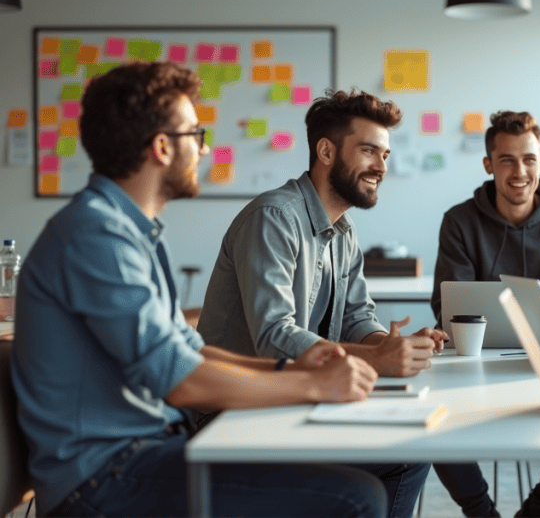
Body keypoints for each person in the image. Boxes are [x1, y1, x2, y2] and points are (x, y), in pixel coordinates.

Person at [11, 61, 387, 518]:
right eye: (197, 135)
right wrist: (311, 384)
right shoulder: (95, 235)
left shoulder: (134, 232)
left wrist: (289, 365)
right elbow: (182, 381)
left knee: (372, 471)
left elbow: (193, 349)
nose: (205, 151)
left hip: (149, 451)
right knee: (355, 497)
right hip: (103, 478)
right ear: (162, 147)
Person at [197, 88, 435, 518]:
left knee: (411, 452)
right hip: (234, 414)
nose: (382, 166)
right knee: (390, 469)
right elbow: (274, 336)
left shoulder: (343, 231)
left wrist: (390, 344)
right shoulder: (274, 218)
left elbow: (357, 316)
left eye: (384, 154)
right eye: (368, 151)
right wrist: (379, 358)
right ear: (326, 151)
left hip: (294, 399)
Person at [430, 111, 540, 518]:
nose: (519, 170)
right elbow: (448, 305)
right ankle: (480, 512)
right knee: (431, 421)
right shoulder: (459, 221)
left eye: (528, 159)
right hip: (475, 361)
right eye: (506, 159)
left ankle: (539, 511)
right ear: (488, 165)